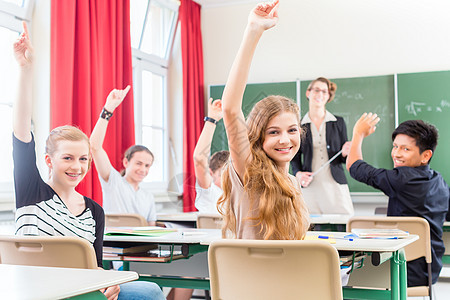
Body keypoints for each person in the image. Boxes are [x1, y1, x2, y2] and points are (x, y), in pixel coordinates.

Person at [12, 22, 164, 300]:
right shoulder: (31, 191)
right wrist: (25, 69)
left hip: (82, 291)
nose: (77, 166)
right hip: (37, 292)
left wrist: (109, 283)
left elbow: (94, 268)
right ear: (48, 160)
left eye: (83, 159)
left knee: (150, 290)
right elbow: (21, 133)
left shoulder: (94, 211)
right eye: (67, 158)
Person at [216, 0, 310, 240]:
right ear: (258, 136)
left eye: (291, 130)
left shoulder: (292, 183)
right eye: (273, 132)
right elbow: (230, 109)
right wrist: (254, 30)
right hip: (255, 278)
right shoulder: (249, 171)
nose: (285, 139)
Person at [346, 113, 449, 287]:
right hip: (429, 272)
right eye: (395, 147)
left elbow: (354, 167)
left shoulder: (401, 178)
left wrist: (358, 134)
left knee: (342, 274)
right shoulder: (439, 181)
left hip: (399, 271)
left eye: (405, 149)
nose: (396, 154)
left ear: (425, 155)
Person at [90, 87, 157, 226]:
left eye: (147, 165)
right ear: (126, 162)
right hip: (115, 244)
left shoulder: (148, 197)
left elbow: (152, 228)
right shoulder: (113, 182)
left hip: (140, 246)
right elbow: (95, 146)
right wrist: (108, 109)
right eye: (138, 163)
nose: (143, 169)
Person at [291, 77, 354, 215]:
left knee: (343, 225)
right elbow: (294, 158)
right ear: (308, 93)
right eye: (317, 90)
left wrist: (345, 152)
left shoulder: (338, 122)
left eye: (325, 92)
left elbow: (344, 158)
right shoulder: (298, 125)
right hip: (310, 186)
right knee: (311, 228)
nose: (320, 94)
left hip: (335, 186)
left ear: (328, 96)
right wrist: (298, 174)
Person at [193, 97, 229, 214]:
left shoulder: (239, 196)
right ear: (211, 173)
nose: (229, 180)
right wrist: (212, 120)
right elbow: (199, 158)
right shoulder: (209, 193)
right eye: (223, 175)